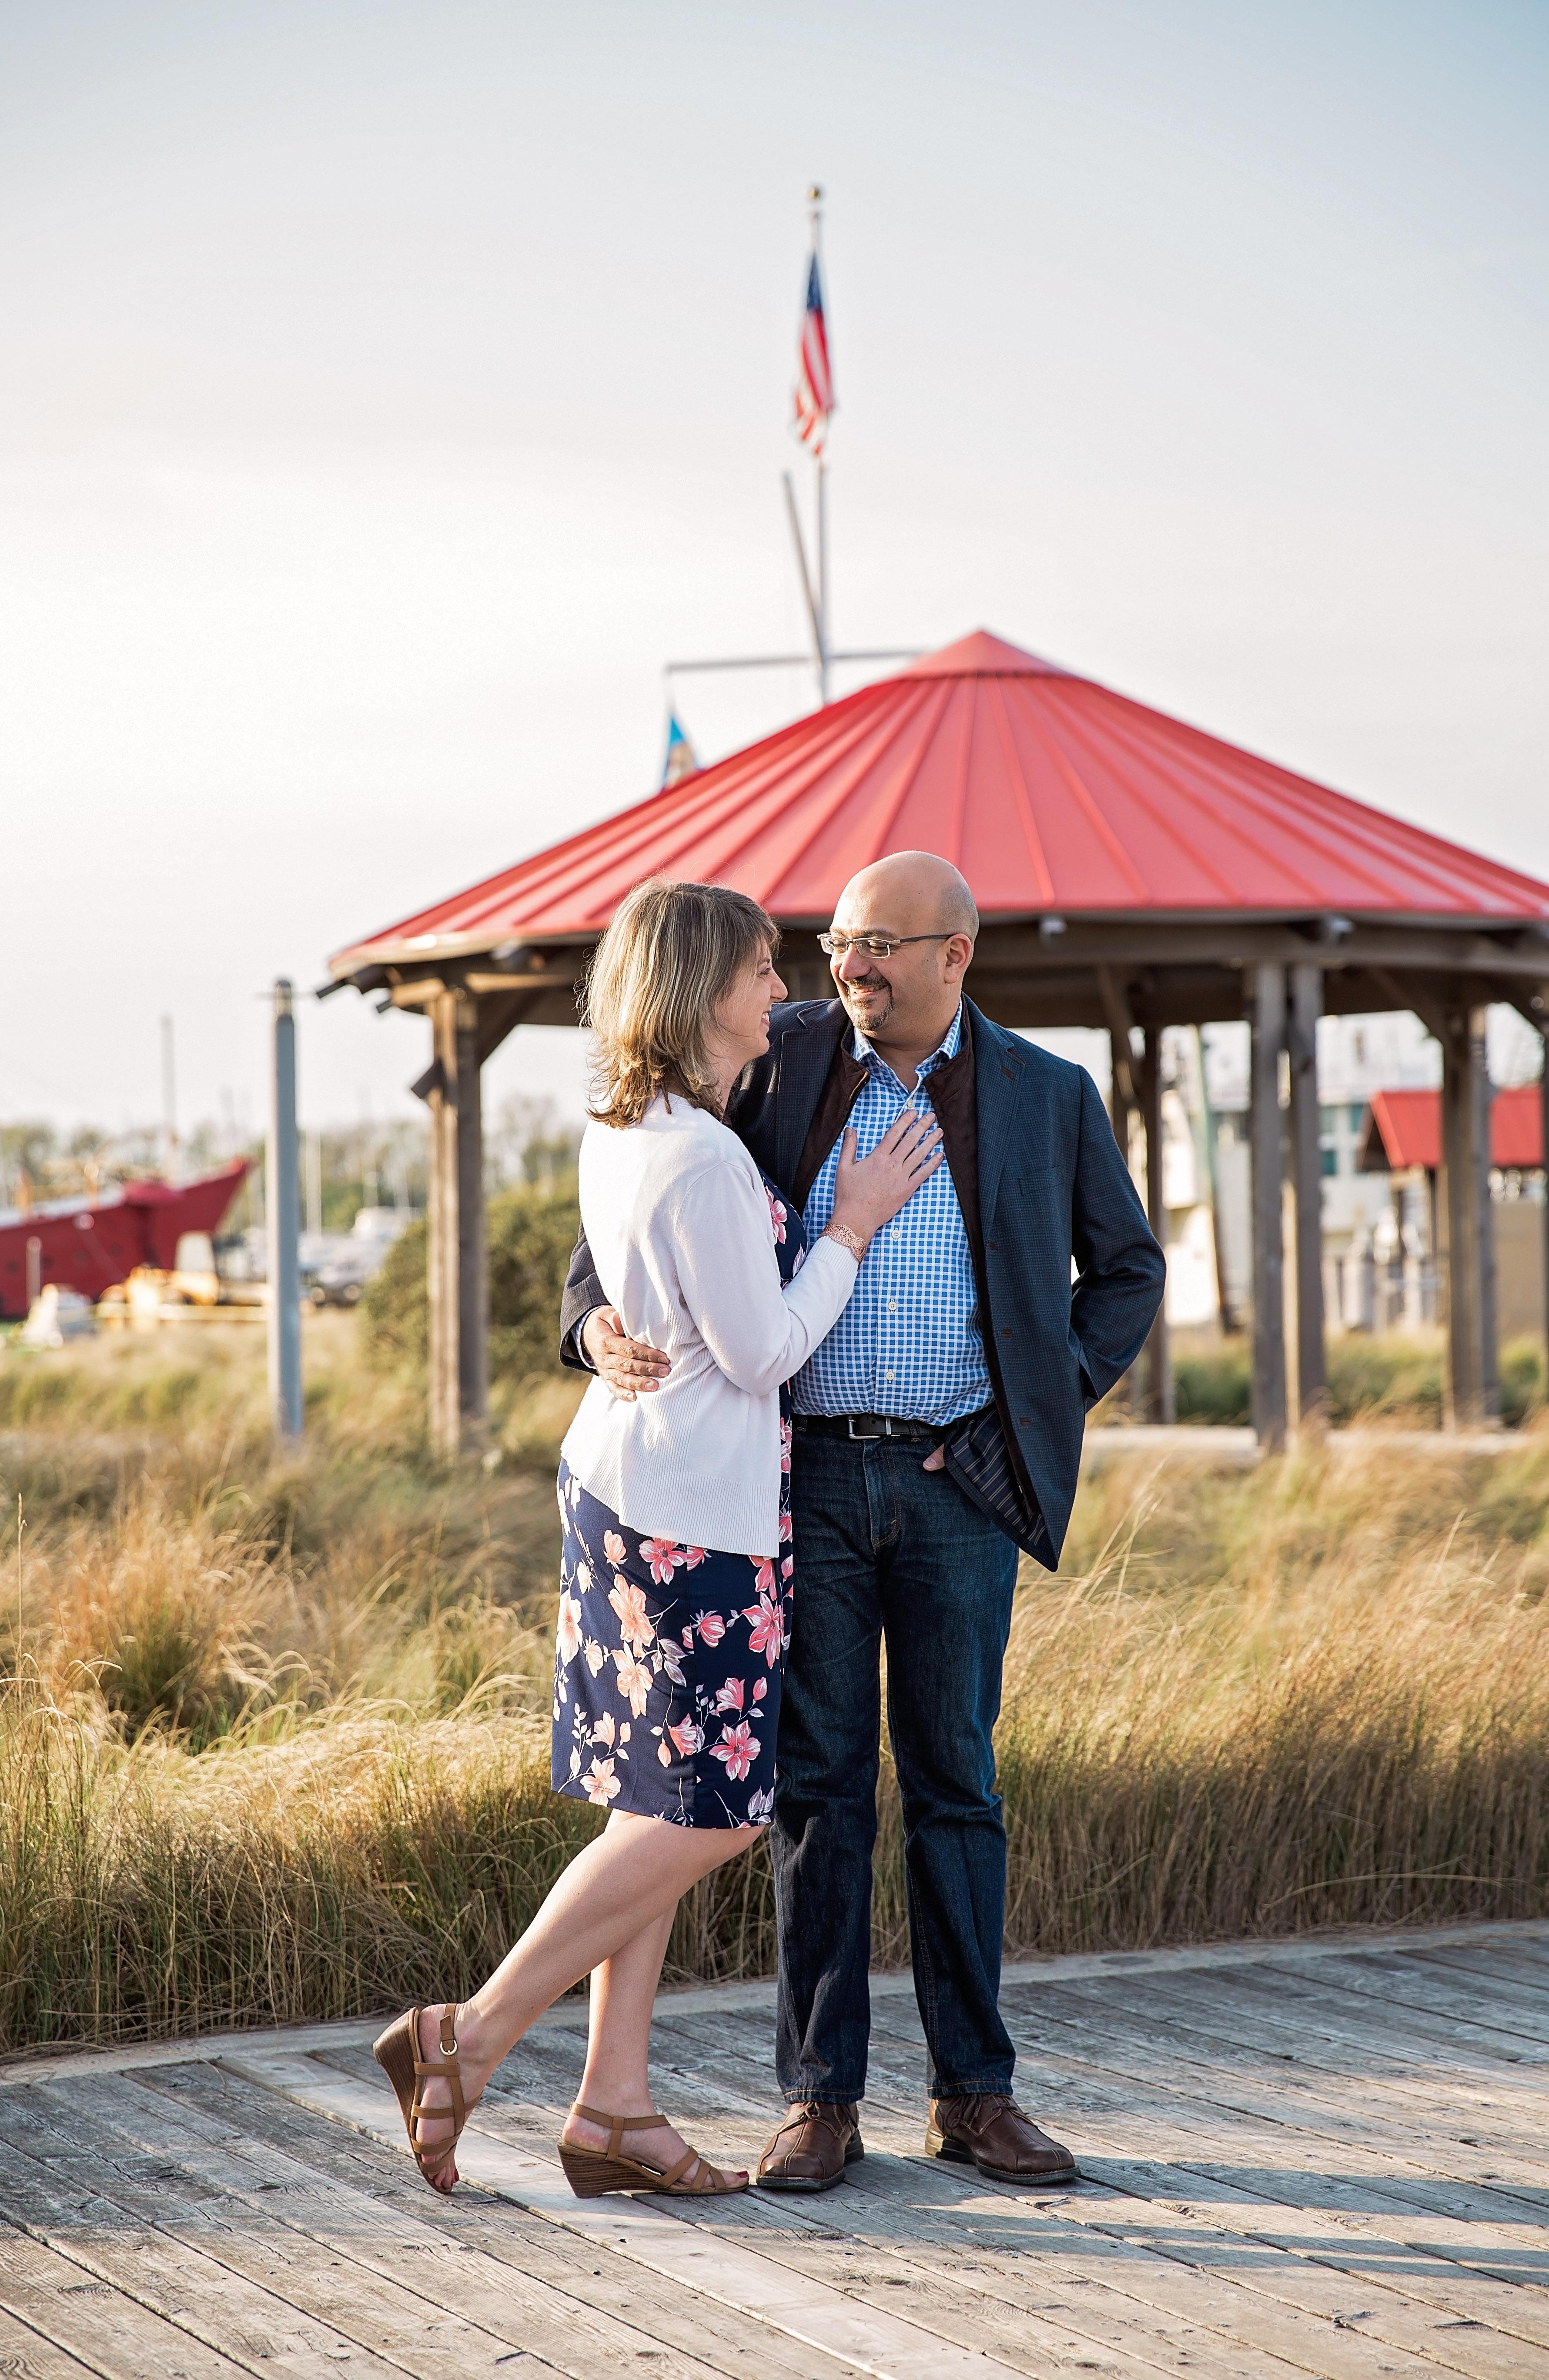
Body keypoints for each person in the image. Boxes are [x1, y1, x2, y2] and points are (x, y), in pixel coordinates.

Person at [562, 851, 1165, 2191]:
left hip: (960, 1485)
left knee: (957, 1784)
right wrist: (590, 1321)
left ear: (959, 954)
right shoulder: (768, 1056)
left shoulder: (1045, 1095)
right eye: (837, 941)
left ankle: (974, 2095)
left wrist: (1033, 1401)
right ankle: (819, 2102)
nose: (850, 966)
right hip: (802, 1482)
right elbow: (628, 1208)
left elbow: (1125, 1272)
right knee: (818, 1794)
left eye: (882, 944)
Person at [375, 877, 941, 2198]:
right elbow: (764, 1353)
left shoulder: (633, 1128)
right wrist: (853, 1225)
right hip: (693, 1522)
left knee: (654, 1802)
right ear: (701, 993)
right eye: (757, 971)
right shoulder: (700, 1159)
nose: (780, 990)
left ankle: (614, 2107)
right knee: (720, 1816)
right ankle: (474, 2033)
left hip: (632, 1495)